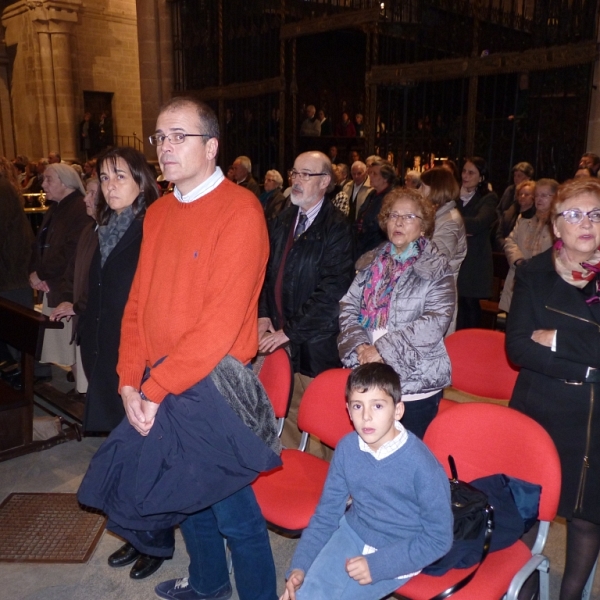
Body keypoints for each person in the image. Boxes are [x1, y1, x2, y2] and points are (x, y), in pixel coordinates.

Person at [77, 97, 281, 600]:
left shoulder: (241, 211)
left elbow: (219, 325)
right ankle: (209, 584)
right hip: (158, 380)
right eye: (160, 137)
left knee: (235, 515)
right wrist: (129, 380)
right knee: (185, 500)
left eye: (178, 136)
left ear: (211, 147)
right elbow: (138, 305)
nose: (165, 147)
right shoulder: (161, 212)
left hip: (213, 386)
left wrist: (156, 387)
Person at [281, 363, 453, 600]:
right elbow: (327, 514)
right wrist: (300, 566)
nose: (367, 416)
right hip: (354, 530)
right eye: (358, 406)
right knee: (308, 593)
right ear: (348, 411)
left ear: (398, 410)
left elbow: (439, 539)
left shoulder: (423, 467)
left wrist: (378, 565)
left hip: (400, 546)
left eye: (378, 406)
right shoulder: (347, 448)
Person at [506, 177, 600, 600]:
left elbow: (542, 341)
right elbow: (519, 347)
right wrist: (587, 365)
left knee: (587, 514)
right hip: (540, 404)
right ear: (555, 226)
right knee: (527, 503)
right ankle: (519, 586)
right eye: (575, 214)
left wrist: (558, 339)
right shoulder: (534, 273)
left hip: (594, 414)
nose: (587, 223)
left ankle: (572, 593)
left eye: (597, 214)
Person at [258, 151, 354, 455]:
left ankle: (321, 494)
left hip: (315, 342)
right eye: (294, 173)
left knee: (315, 426)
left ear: (325, 181)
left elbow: (333, 291)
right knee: (283, 416)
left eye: (306, 174)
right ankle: (287, 479)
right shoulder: (283, 217)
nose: (297, 180)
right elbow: (264, 270)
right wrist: (263, 315)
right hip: (281, 338)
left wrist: (291, 332)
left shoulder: (337, 228)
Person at [339, 188, 455, 439]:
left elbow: (435, 321)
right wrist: (360, 346)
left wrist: (381, 349)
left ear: (423, 226)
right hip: (370, 372)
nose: (399, 222)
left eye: (409, 217)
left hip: (415, 382)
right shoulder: (371, 262)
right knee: (371, 450)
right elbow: (348, 306)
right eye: (393, 216)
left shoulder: (437, 267)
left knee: (406, 459)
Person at [29, 164, 91, 384]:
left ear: (65, 182)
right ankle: (78, 387)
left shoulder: (78, 208)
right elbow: (40, 243)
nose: (43, 185)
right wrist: (35, 273)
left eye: (48, 180)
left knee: (70, 345)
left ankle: (82, 393)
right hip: (52, 284)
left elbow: (70, 252)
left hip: (66, 287)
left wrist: (43, 273)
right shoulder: (56, 207)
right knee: (64, 347)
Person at [420, 166, 467, 334]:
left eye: (423, 187)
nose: (419, 191)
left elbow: (434, 262)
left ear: (435, 189)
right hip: (429, 291)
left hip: (438, 294)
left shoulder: (450, 221)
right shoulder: (438, 215)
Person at [498, 178, 556, 313]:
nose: (538, 199)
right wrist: (518, 260)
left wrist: (535, 265)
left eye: (544, 195)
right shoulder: (524, 219)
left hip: (543, 281)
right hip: (519, 278)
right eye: (536, 195)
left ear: (556, 197)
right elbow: (510, 241)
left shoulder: (559, 225)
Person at [455, 157, 498, 329]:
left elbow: (479, 223)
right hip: (459, 255)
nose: (465, 176)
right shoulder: (455, 195)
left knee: (470, 303)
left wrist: (454, 222)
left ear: (481, 178)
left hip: (475, 260)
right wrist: (466, 227)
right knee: (458, 304)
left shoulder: (488, 197)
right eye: (464, 171)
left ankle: (472, 343)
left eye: (471, 172)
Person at [354, 160, 396, 260]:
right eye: (370, 173)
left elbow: (380, 226)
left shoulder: (391, 197)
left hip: (376, 248)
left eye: (375, 174)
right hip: (362, 244)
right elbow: (361, 216)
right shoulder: (372, 194)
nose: (370, 176)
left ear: (385, 178)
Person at [496, 180, 536, 251]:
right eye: (520, 194)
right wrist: (507, 247)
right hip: (506, 252)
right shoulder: (508, 214)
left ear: (534, 197)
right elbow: (499, 236)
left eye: (526, 195)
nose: (522, 196)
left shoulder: (537, 216)